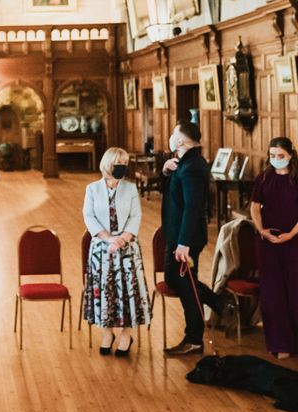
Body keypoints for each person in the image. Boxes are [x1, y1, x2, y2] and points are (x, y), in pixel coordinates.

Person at [161, 120, 234, 355]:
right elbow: (174, 196)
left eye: (174, 133)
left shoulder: (192, 166)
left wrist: (184, 243)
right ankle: (219, 304)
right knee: (177, 279)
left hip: (186, 238)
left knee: (185, 285)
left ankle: (194, 338)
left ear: (181, 140)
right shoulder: (185, 163)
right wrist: (165, 172)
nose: (172, 136)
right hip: (178, 235)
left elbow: (193, 207)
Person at [83, 147, 151, 356]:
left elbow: (135, 216)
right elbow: (89, 216)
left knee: (127, 292)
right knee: (104, 291)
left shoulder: (130, 189)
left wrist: (121, 239)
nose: (123, 167)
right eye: (119, 163)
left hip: (127, 249)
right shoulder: (93, 189)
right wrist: (107, 237)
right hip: (101, 249)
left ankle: (126, 334)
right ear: (109, 164)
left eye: (125, 163)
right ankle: (107, 332)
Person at [250, 137, 298, 359]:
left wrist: (290, 234)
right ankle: (280, 343)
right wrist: (262, 230)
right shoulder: (263, 178)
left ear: (290, 155)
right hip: (268, 242)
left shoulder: (296, 179)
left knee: (294, 291)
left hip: (294, 241)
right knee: (273, 293)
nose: (276, 160)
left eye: (281, 156)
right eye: (272, 156)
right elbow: (255, 208)